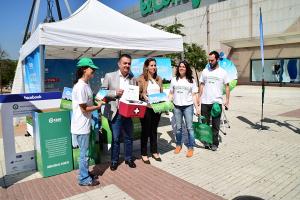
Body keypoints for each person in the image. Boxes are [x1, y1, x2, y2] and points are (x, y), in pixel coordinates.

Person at [102, 54, 137, 170]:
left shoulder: (133, 78)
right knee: (116, 138)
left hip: (128, 112)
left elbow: (135, 95)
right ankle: (114, 160)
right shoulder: (109, 76)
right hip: (114, 111)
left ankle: (128, 158)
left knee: (129, 137)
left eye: (129, 63)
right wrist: (114, 93)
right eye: (125, 63)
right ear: (119, 64)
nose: (127, 65)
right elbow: (101, 93)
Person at [71, 57, 102, 186]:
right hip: (80, 126)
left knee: (86, 153)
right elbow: (84, 109)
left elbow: (89, 102)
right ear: (84, 69)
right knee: (84, 154)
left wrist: (99, 101)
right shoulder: (80, 87)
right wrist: (98, 107)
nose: (94, 70)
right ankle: (84, 179)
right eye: (92, 68)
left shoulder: (86, 85)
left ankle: (85, 173)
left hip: (85, 125)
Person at [199, 51, 230, 151]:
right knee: (205, 124)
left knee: (216, 125)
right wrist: (199, 98)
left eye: (212, 60)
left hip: (217, 103)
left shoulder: (223, 72)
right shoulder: (205, 71)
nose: (210, 62)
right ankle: (207, 141)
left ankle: (215, 143)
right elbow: (202, 85)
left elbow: (227, 86)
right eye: (209, 60)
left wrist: (227, 101)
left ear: (217, 59)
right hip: (205, 102)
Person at [169, 60, 200, 158]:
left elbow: (194, 95)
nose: (181, 68)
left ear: (187, 69)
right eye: (180, 66)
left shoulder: (191, 80)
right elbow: (171, 93)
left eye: (183, 67)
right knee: (178, 128)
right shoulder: (174, 79)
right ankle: (178, 145)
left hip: (188, 107)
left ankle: (191, 147)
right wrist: (168, 103)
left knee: (189, 128)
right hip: (177, 107)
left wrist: (197, 108)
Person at [138, 58, 163, 164]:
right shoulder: (141, 78)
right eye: (151, 65)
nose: (153, 67)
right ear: (147, 67)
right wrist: (143, 95)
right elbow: (137, 94)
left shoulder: (159, 79)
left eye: (154, 65)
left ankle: (154, 151)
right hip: (146, 108)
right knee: (145, 131)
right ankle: (144, 153)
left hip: (157, 109)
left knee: (154, 130)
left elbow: (161, 93)